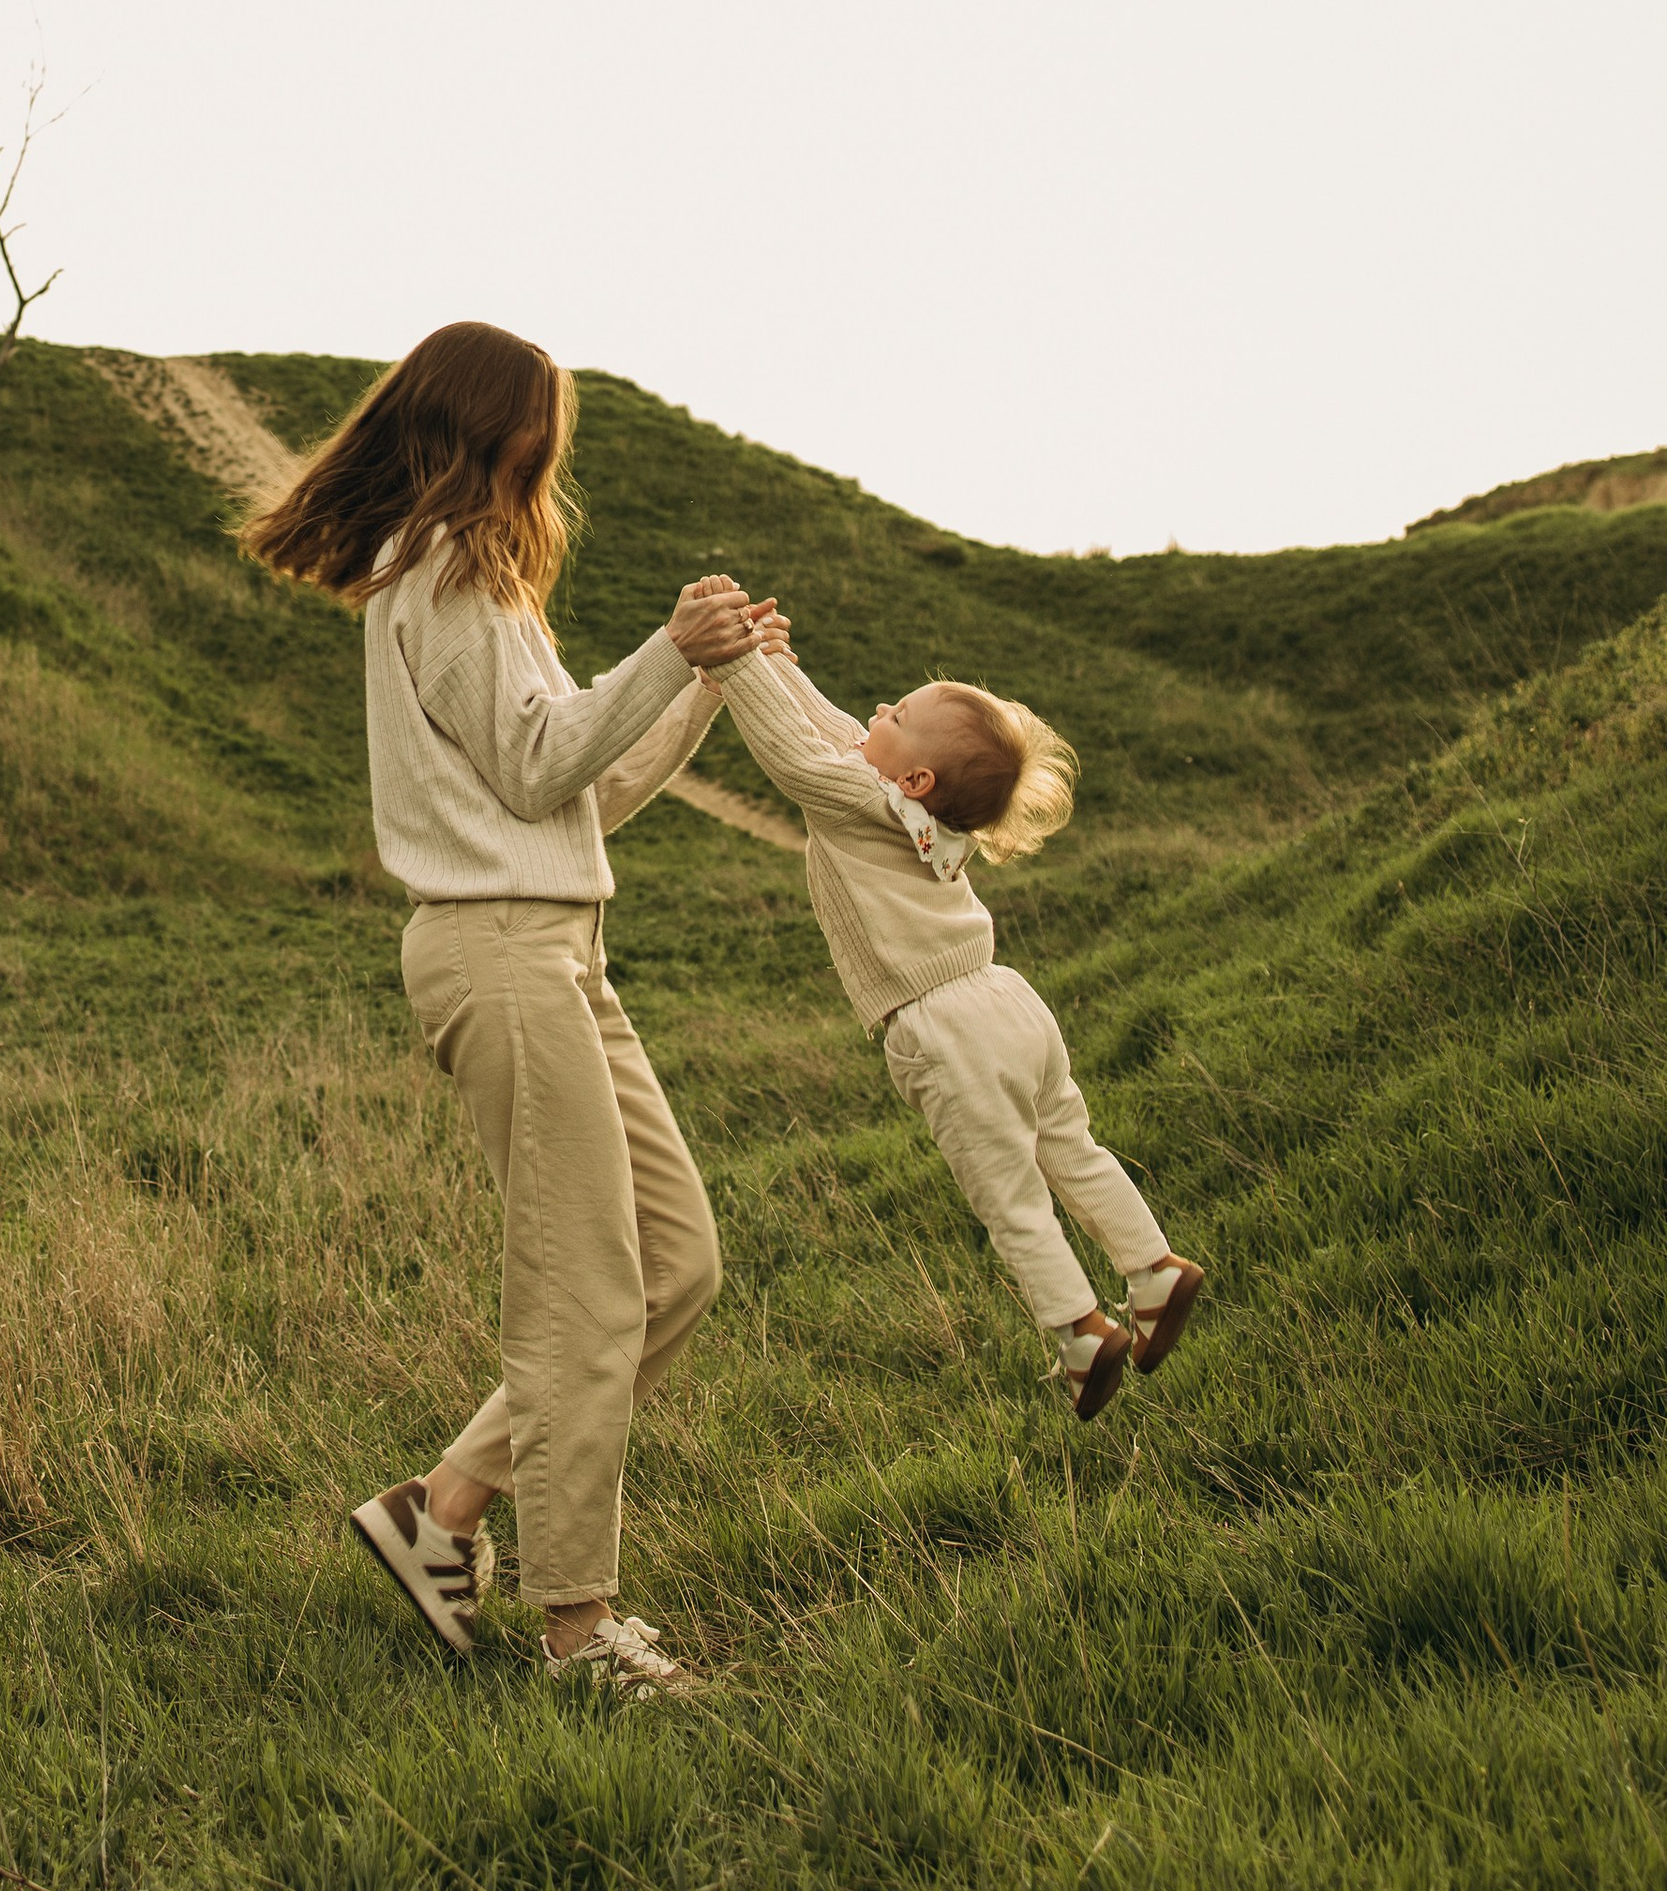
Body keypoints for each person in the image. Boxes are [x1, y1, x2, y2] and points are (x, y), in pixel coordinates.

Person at [241, 322, 765, 1698]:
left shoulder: (476, 585)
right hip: (499, 953)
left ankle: (442, 1513)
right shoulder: (446, 578)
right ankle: (580, 1629)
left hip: (556, 948)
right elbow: (543, 773)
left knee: (677, 1265)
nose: (553, 454)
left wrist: (697, 685)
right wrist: (663, 647)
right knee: (588, 1294)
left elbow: (575, 799)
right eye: (540, 427)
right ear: (489, 428)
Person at [706, 628, 1203, 1420]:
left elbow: (798, 759)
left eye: (896, 711)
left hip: (944, 1027)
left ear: (918, 774)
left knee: (1009, 1196)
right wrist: (772, 664)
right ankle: (1153, 1269)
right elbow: (841, 738)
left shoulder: (863, 801)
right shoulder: (916, 810)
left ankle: (1081, 1332)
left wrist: (731, 662)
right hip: (1007, 1001)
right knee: (1069, 1149)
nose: (876, 709)